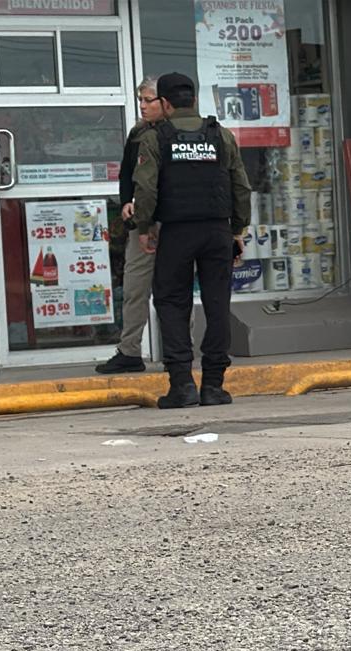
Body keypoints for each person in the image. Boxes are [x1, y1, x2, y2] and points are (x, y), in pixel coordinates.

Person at [131, 72, 251, 409]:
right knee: (216, 305)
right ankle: (214, 385)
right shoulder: (220, 135)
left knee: (172, 303)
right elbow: (240, 186)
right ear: (194, 100)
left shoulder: (156, 139)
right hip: (216, 231)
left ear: (165, 103)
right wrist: (238, 229)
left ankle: (182, 384)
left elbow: (146, 188)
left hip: (177, 232)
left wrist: (145, 226)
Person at [96, 75, 162, 374]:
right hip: (141, 222)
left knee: (174, 290)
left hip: (169, 222)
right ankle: (130, 350)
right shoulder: (138, 133)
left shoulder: (177, 134)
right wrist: (127, 203)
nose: (143, 106)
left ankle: (179, 351)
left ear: (166, 102)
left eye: (149, 100)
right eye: (141, 100)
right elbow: (127, 175)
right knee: (136, 287)